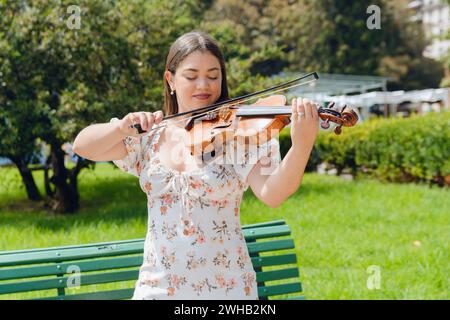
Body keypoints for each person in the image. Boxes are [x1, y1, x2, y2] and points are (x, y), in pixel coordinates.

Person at [72, 31, 319, 300]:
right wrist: (120, 128)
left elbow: (274, 193)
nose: (204, 85)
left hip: (226, 289)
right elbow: (83, 145)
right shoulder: (150, 136)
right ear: (171, 80)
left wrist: (302, 145)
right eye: (191, 76)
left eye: (213, 76)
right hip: (157, 288)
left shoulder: (238, 135)